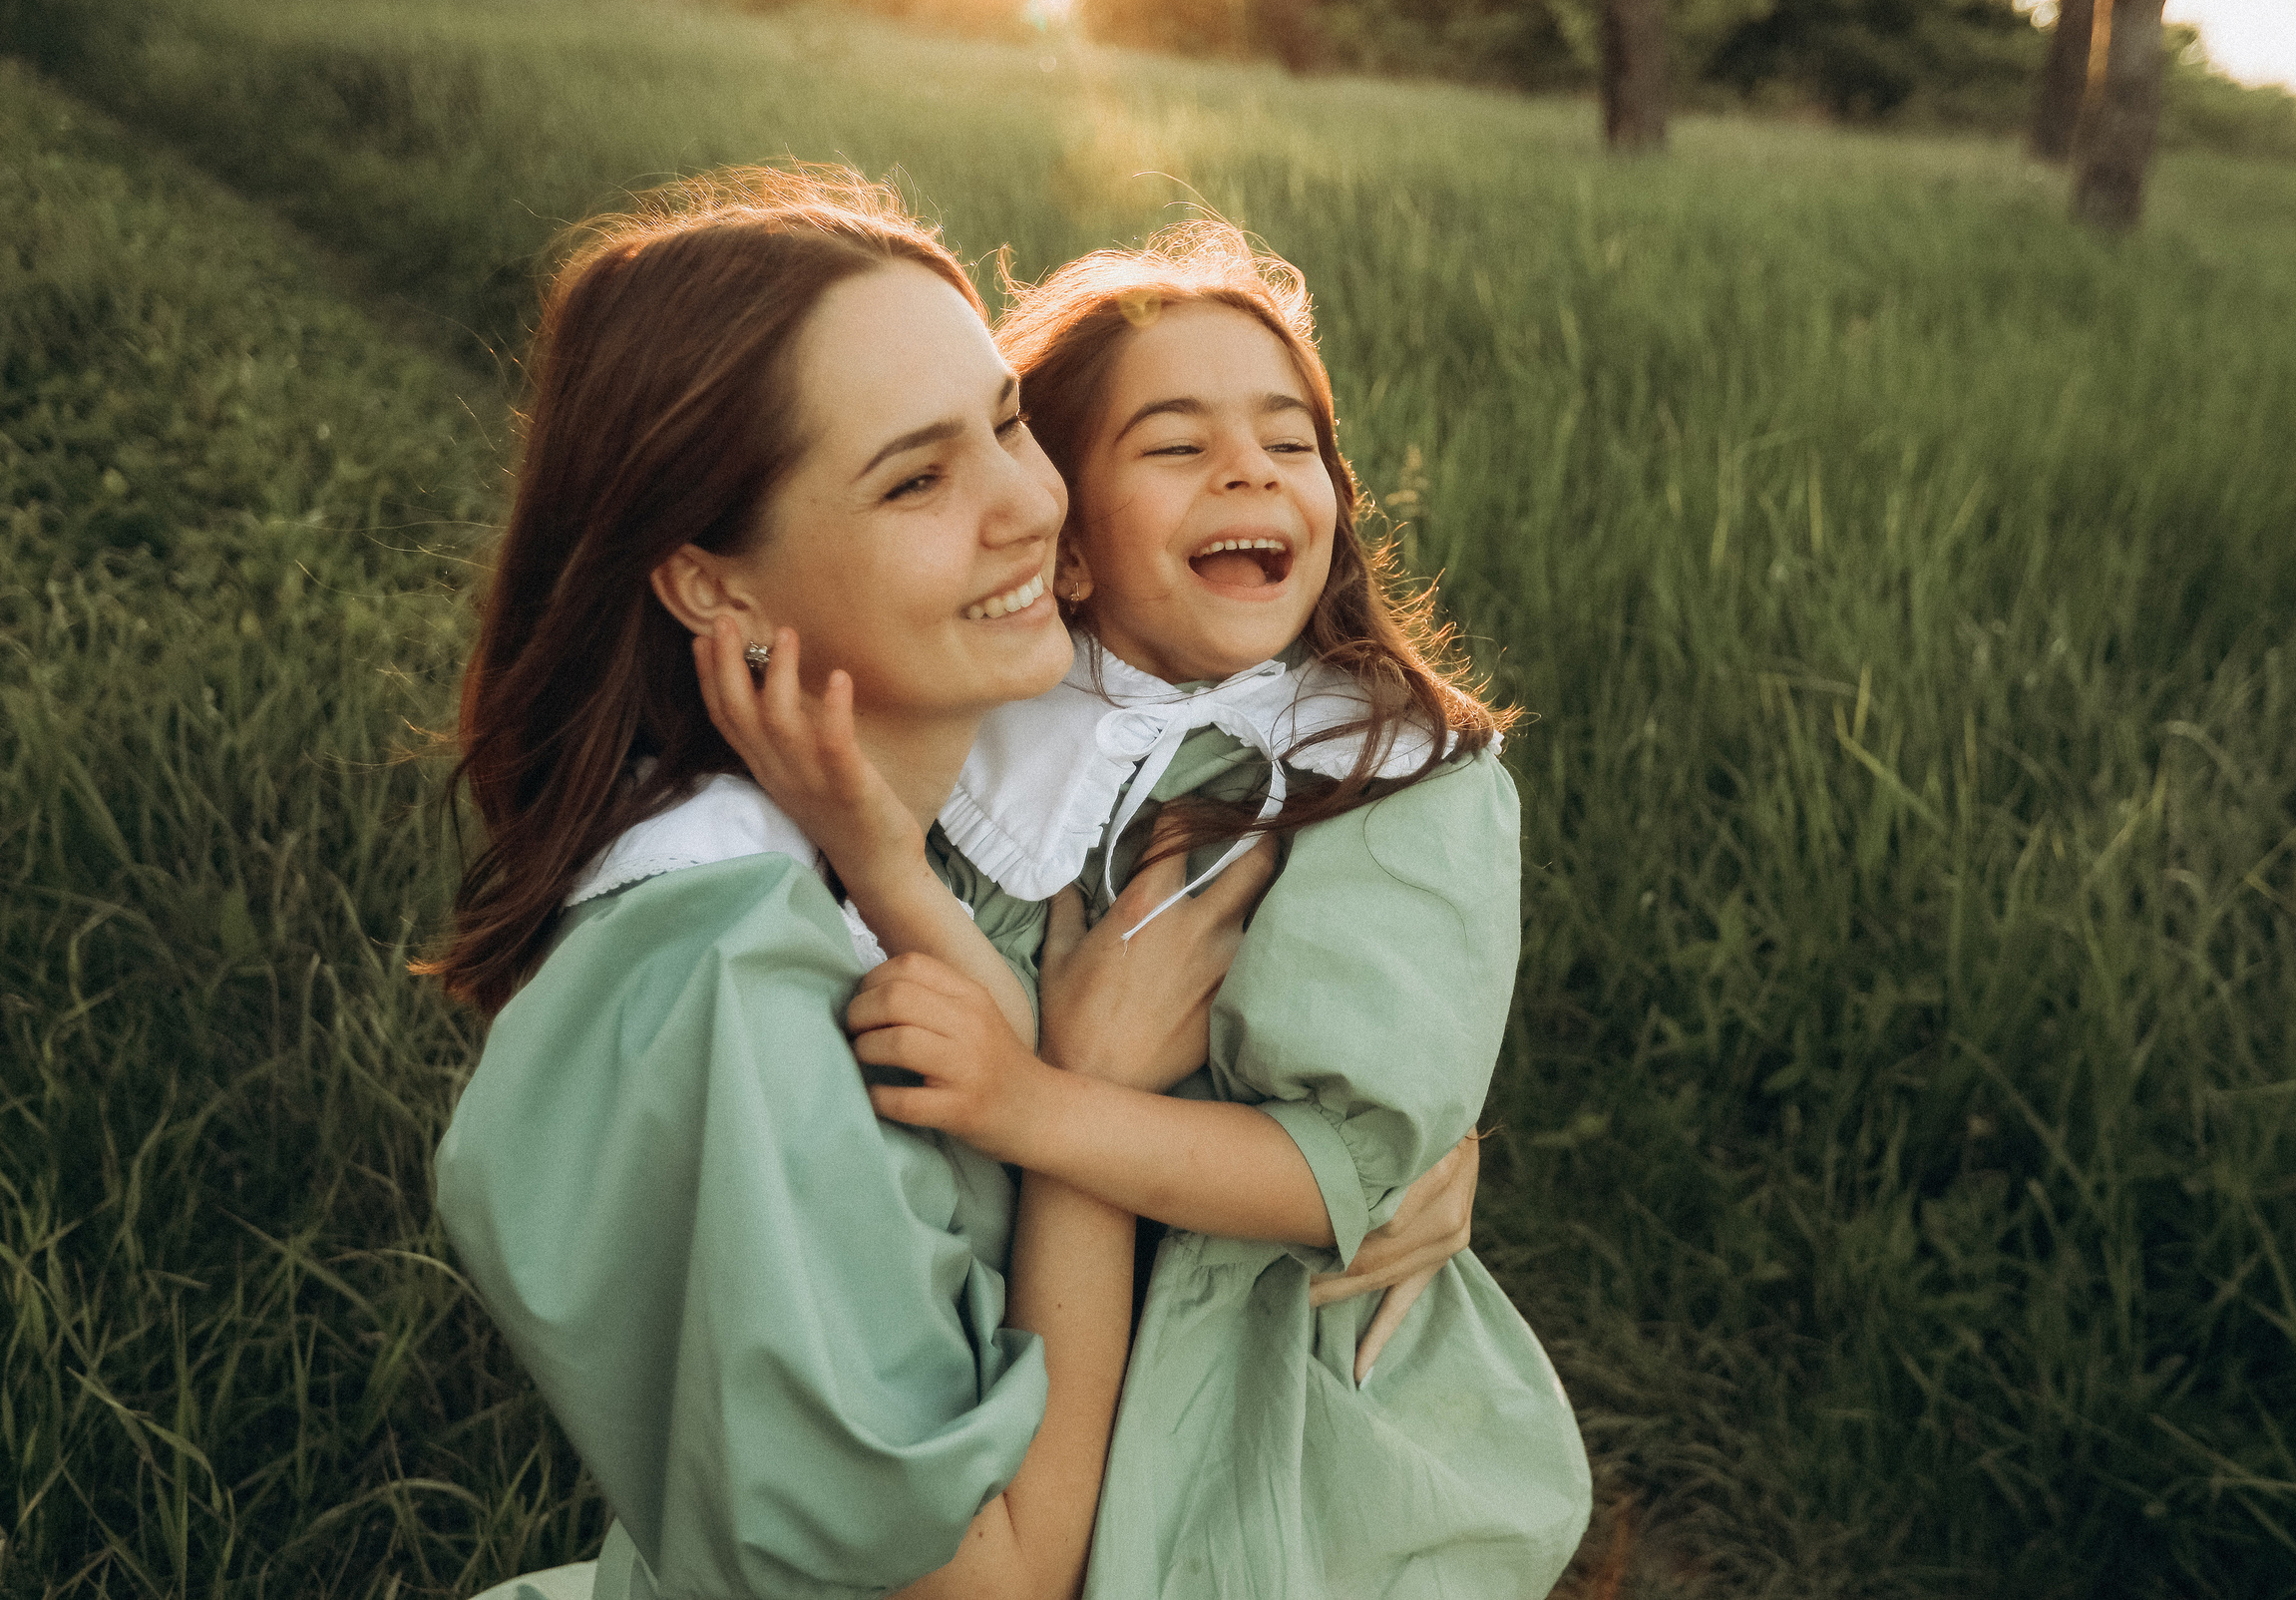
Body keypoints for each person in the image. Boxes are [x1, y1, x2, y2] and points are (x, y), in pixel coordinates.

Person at [422, 172, 1473, 1600]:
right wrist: (1086, 1118)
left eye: (1004, 427)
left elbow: (1316, 1120)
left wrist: (1371, 1161)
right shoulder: (727, 987)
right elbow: (986, 1585)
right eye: (915, 478)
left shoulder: (924, 848)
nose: (1028, 509)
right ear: (713, 587)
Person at [710, 221, 1593, 1599]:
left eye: (1289, 443)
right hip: (1001, 1319)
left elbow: (1343, 1171)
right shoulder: (988, 723)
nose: (1247, 469)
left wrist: (1032, 1105)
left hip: (1256, 1381)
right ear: (1064, 541)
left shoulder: (1389, 772)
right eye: (1176, 446)